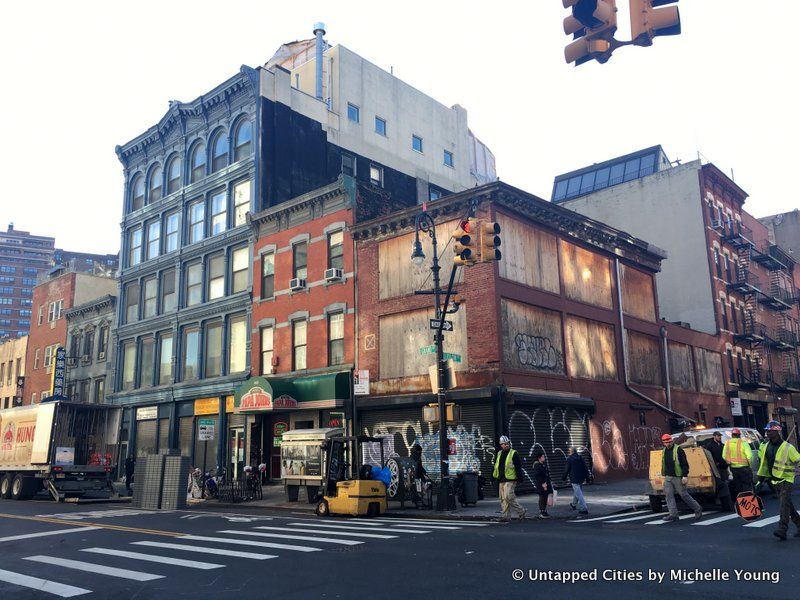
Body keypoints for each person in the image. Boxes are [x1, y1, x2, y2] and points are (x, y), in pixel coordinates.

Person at [756, 421, 800, 541]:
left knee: (783, 503)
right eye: (767, 430)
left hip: (786, 479)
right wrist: (760, 481)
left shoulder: (788, 447)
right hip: (774, 481)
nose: (767, 432)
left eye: (770, 430)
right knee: (787, 504)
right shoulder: (765, 447)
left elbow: (798, 460)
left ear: (777, 431)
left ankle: (782, 529)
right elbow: (764, 465)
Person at [660, 433, 703, 522]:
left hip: (678, 477)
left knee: (683, 494)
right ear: (663, 443)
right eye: (666, 443)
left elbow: (684, 464)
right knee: (668, 495)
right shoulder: (664, 450)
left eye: (669, 442)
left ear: (672, 441)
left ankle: (697, 508)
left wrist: (684, 476)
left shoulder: (678, 450)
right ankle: (673, 514)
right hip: (668, 476)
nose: (668, 444)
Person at [492, 435, 526, 522]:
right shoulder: (499, 453)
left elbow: (518, 467)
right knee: (503, 498)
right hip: (501, 479)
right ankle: (506, 516)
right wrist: (492, 477)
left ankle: (521, 511)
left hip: (511, 479)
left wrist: (520, 478)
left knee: (508, 497)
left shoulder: (513, 453)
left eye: (507, 443)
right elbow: (495, 466)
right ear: (501, 445)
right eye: (504, 444)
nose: (506, 445)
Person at [723, 428, 753, 496]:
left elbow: (724, 456)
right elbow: (750, 456)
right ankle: (748, 502)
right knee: (747, 486)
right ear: (739, 435)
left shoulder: (727, 443)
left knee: (738, 486)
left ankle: (741, 503)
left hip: (734, 469)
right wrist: (750, 465)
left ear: (732, 435)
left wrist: (729, 462)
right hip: (744, 468)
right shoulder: (743, 443)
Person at [563, 447, 590, 516]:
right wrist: (587, 478)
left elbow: (567, 469)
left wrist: (564, 477)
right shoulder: (580, 458)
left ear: (571, 452)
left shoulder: (569, 459)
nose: (569, 453)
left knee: (579, 494)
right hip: (581, 478)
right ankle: (573, 504)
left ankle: (584, 508)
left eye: (569, 451)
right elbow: (585, 468)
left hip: (574, 479)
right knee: (577, 491)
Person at [532, 451, 553, 519]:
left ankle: (544, 511)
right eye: (543, 457)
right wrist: (542, 483)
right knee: (542, 497)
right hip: (541, 484)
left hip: (546, 483)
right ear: (539, 458)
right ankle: (542, 512)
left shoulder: (544, 464)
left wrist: (549, 482)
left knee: (545, 496)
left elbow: (547, 474)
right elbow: (537, 475)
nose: (544, 458)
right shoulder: (537, 465)